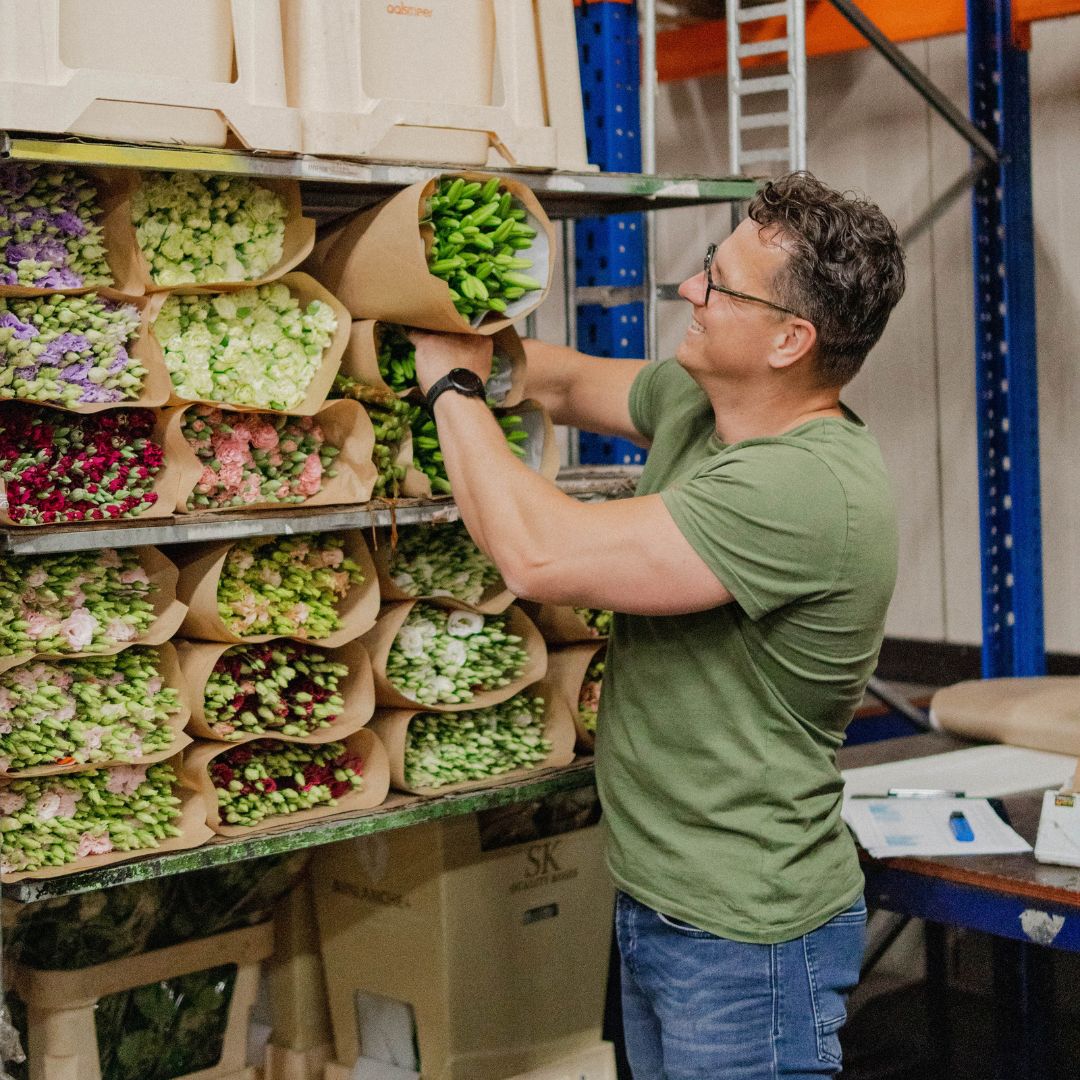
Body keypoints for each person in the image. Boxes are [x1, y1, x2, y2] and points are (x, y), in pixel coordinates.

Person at [407, 171, 906, 1079]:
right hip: (661, 902)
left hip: (746, 935)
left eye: (719, 286)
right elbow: (553, 379)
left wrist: (450, 389)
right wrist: (437, 305)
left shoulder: (803, 489)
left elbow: (537, 554)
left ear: (792, 339)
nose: (690, 291)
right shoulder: (704, 404)